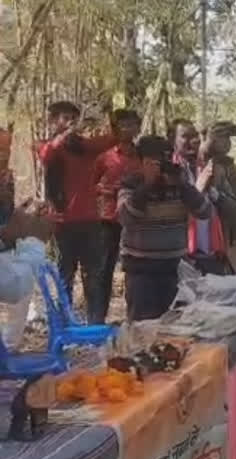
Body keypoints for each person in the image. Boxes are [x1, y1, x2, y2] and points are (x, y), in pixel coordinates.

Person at [116, 135, 211, 320]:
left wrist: (184, 187)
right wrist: (147, 186)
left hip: (175, 268)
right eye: (155, 162)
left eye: (165, 159)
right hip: (141, 270)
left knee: (175, 328)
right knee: (142, 328)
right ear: (141, 162)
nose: (162, 166)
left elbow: (205, 212)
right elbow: (125, 218)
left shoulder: (180, 183)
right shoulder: (130, 183)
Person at [37, 100, 115, 323]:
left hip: (90, 221)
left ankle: (94, 326)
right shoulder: (49, 146)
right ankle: (64, 323)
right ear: (53, 121)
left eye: (74, 117)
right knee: (64, 277)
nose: (71, 121)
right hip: (62, 223)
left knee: (93, 276)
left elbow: (110, 140)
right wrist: (63, 136)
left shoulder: (85, 147)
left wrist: (109, 116)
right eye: (65, 117)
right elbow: (46, 155)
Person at [93, 108, 142, 322]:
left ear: (138, 128)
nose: (128, 129)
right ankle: (96, 319)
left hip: (133, 221)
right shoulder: (105, 157)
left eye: (132, 124)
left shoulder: (142, 157)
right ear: (115, 129)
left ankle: (134, 318)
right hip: (108, 220)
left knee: (133, 270)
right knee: (104, 269)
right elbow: (91, 185)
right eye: (123, 125)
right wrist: (108, 190)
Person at [198, 121, 236, 273]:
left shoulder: (233, 171)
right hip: (202, 244)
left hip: (231, 240)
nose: (224, 142)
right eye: (219, 138)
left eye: (226, 138)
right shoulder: (195, 165)